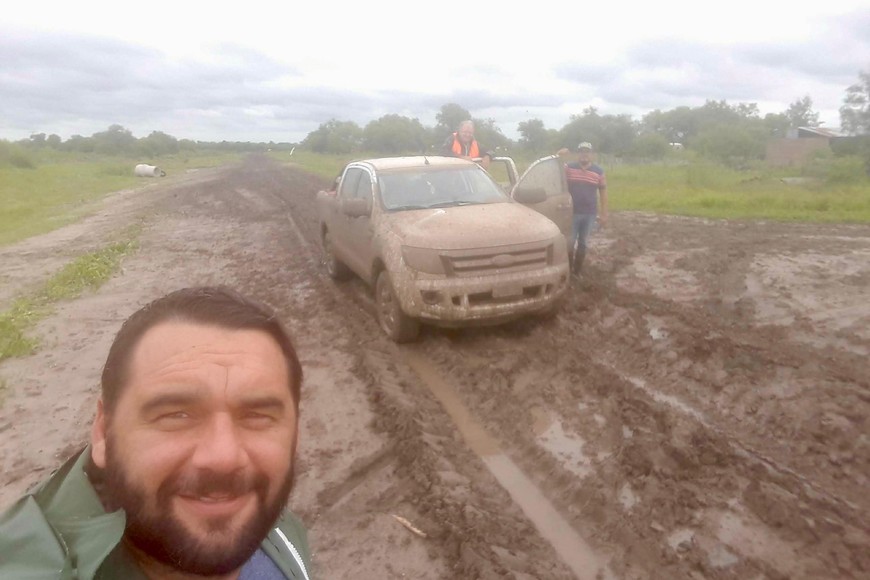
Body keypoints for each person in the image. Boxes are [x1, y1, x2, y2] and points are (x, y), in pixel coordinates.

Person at [0, 287, 312, 580]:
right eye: (176, 414)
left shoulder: (276, 526)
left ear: (294, 434)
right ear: (103, 432)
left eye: (257, 415)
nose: (224, 457)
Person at [559, 142, 608, 277]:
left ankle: (577, 272)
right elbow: (554, 169)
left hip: (590, 214)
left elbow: (603, 192)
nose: (584, 154)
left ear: (591, 154)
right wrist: (558, 155)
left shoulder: (598, 171)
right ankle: (568, 271)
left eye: (587, 151)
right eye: (581, 151)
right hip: (572, 213)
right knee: (570, 242)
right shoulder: (568, 168)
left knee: (583, 243)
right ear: (578, 154)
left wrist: (604, 214)